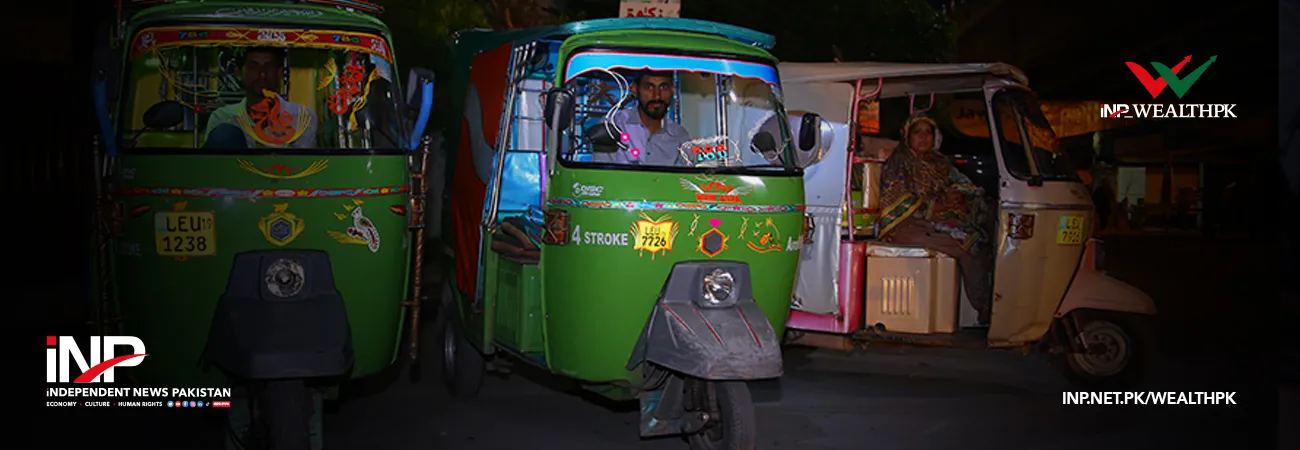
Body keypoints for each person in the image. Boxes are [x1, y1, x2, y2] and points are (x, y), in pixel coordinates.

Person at [876, 114, 995, 325]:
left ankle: (986, 302)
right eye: (917, 132)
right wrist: (935, 205)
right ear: (907, 136)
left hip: (933, 221)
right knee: (968, 243)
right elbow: (896, 201)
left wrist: (957, 194)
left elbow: (965, 185)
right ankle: (984, 308)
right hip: (904, 225)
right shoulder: (899, 163)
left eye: (928, 132)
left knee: (983, 232)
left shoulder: (940, 162)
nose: (923, 137)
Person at [204, 47, 317, 149]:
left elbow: (302, 163)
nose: (262, 74)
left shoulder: (302, 117)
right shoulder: (222, 118)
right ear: (239, 72)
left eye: (269, 66)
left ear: (279, 73)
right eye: (253, 66)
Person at [592, 70, 691, 166]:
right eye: (649, 87)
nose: (657, 96)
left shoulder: (680, 136)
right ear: (635, 90)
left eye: (663, 87)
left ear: (672, 91)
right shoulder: (613, 124)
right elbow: (602, 172)